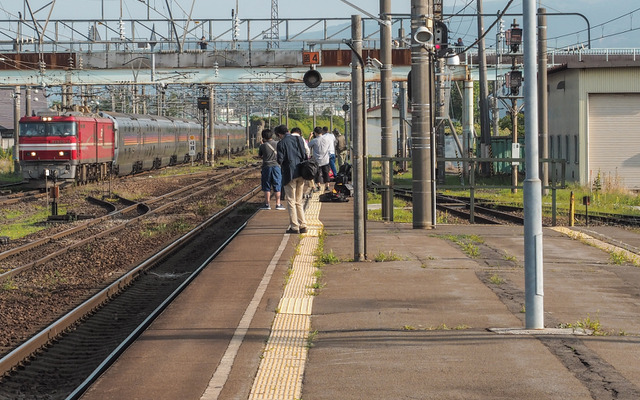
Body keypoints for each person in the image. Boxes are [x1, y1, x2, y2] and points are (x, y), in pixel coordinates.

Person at [275, 124, 308, 234]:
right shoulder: (299, 139)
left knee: (291, 201)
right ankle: (303, 225)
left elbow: (280, 160)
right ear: (288, 131)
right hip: (301, 173)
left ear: (279, 134)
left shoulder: (281, 143)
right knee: (299, 201)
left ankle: (294, 226)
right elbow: (305, 155)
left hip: (290, 175)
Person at [258, 129, 285, 211]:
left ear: (263, 137)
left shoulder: (263, 146)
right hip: (276, 166)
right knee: (277, 184)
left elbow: (260, 156)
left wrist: (262, 145)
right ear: (272, 135)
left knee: (267, 186)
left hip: (266, 167)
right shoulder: (278, 144)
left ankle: (267, 204)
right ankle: (278, 204)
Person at [308, 126, 331, 192]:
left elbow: (308, 146)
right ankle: (327, 185)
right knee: (326, 173)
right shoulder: (327, 139)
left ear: (315, 133)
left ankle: (319, 186)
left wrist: (310, 137)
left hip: (317, 160)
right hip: (325, 159)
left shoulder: (314, 140)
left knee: (317, 173)